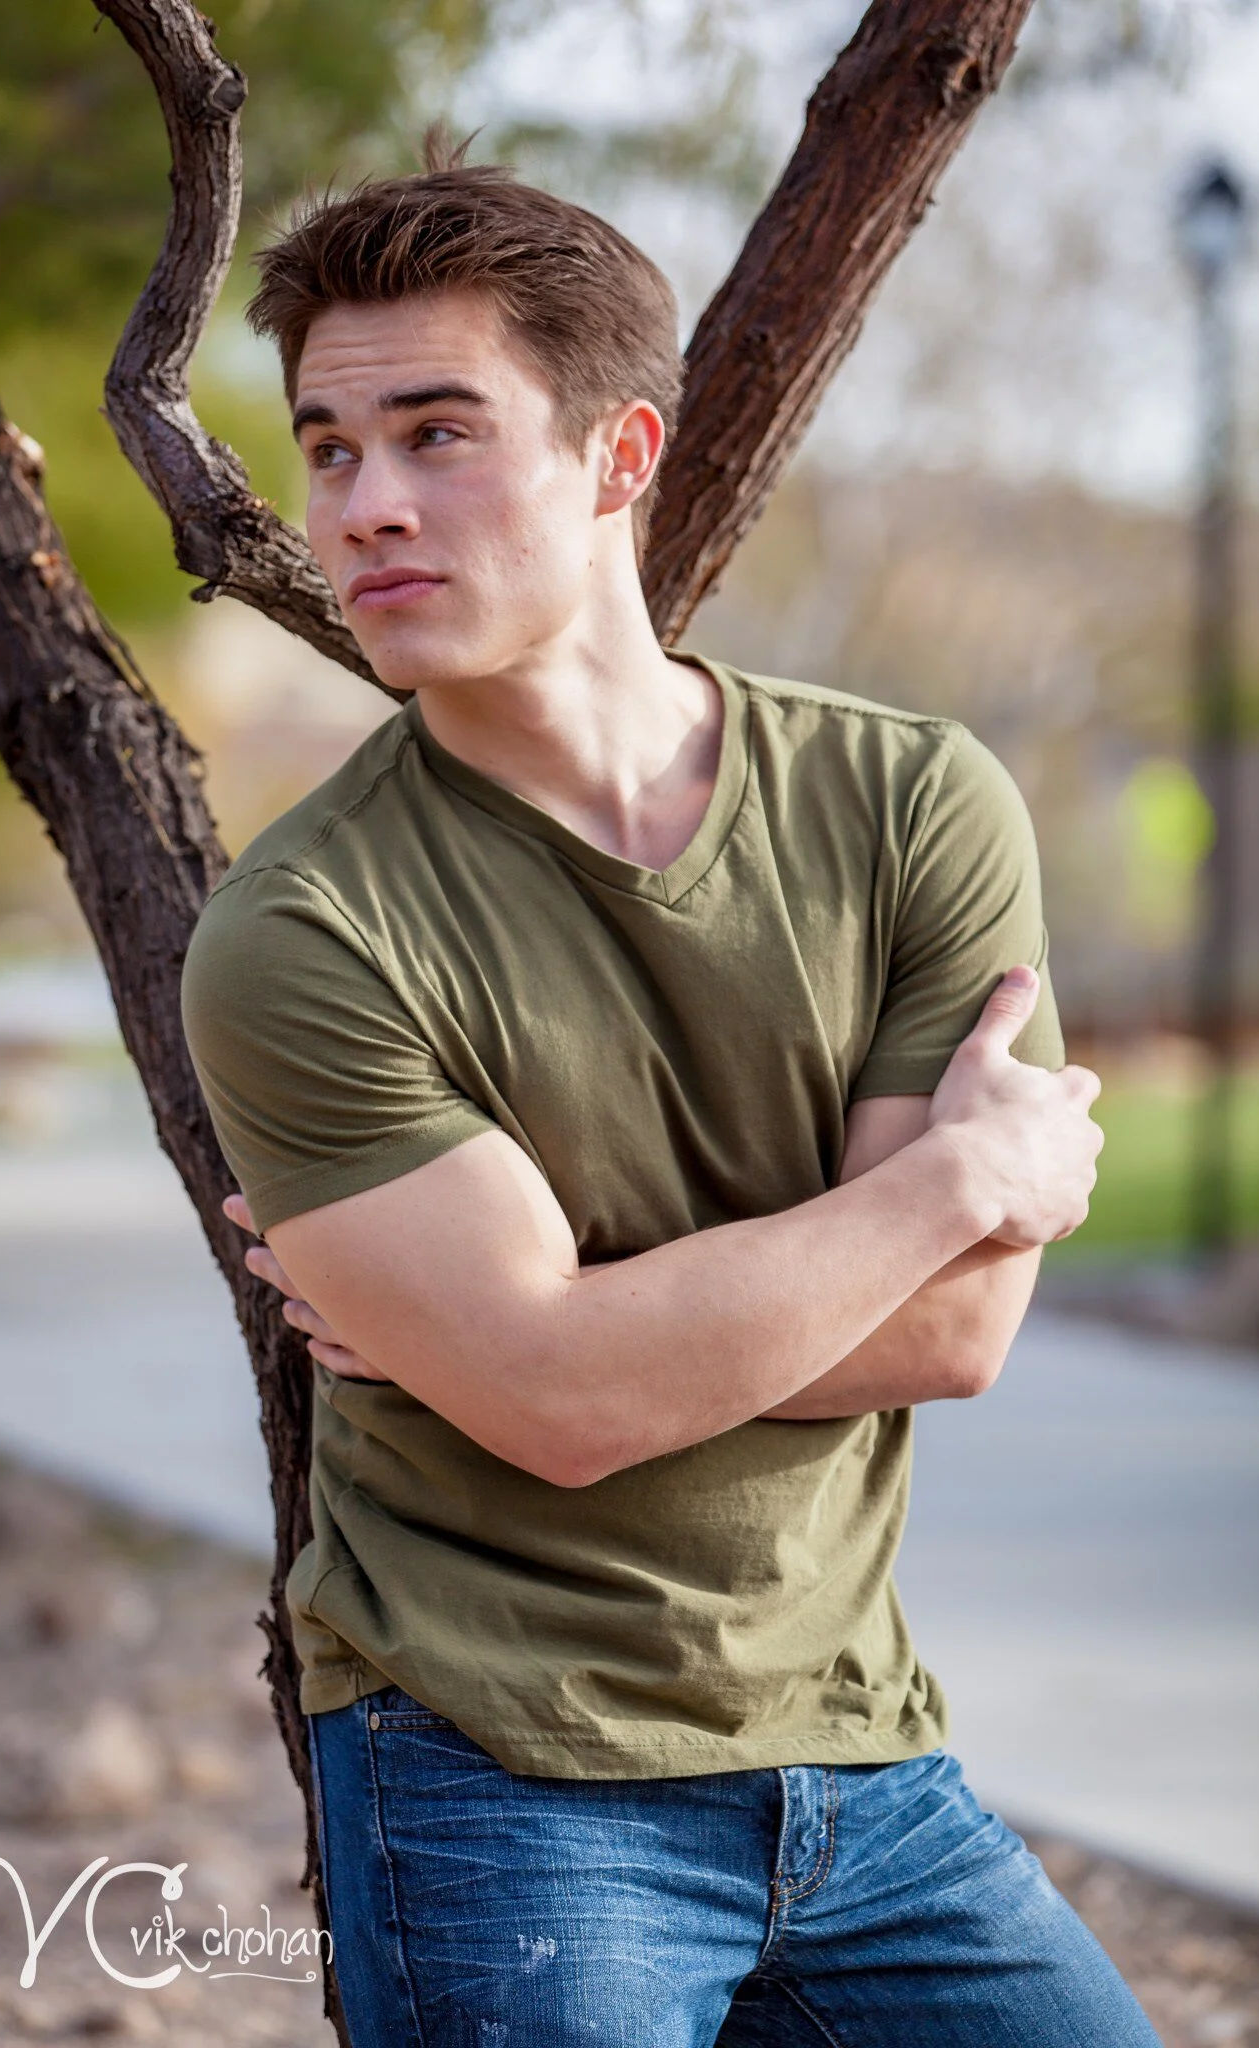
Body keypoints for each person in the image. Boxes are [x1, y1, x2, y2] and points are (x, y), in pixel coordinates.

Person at [179, 135, 1159, 2046]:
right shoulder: (303, 929)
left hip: (864, 1749)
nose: (365, 506)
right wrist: (955, 1185)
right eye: (330, 450)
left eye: (438, 434)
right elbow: (564, 1404)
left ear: (620, 457)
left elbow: (954, 1336)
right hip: (498, 1772)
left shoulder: (909, 802)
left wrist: (565, 1331)